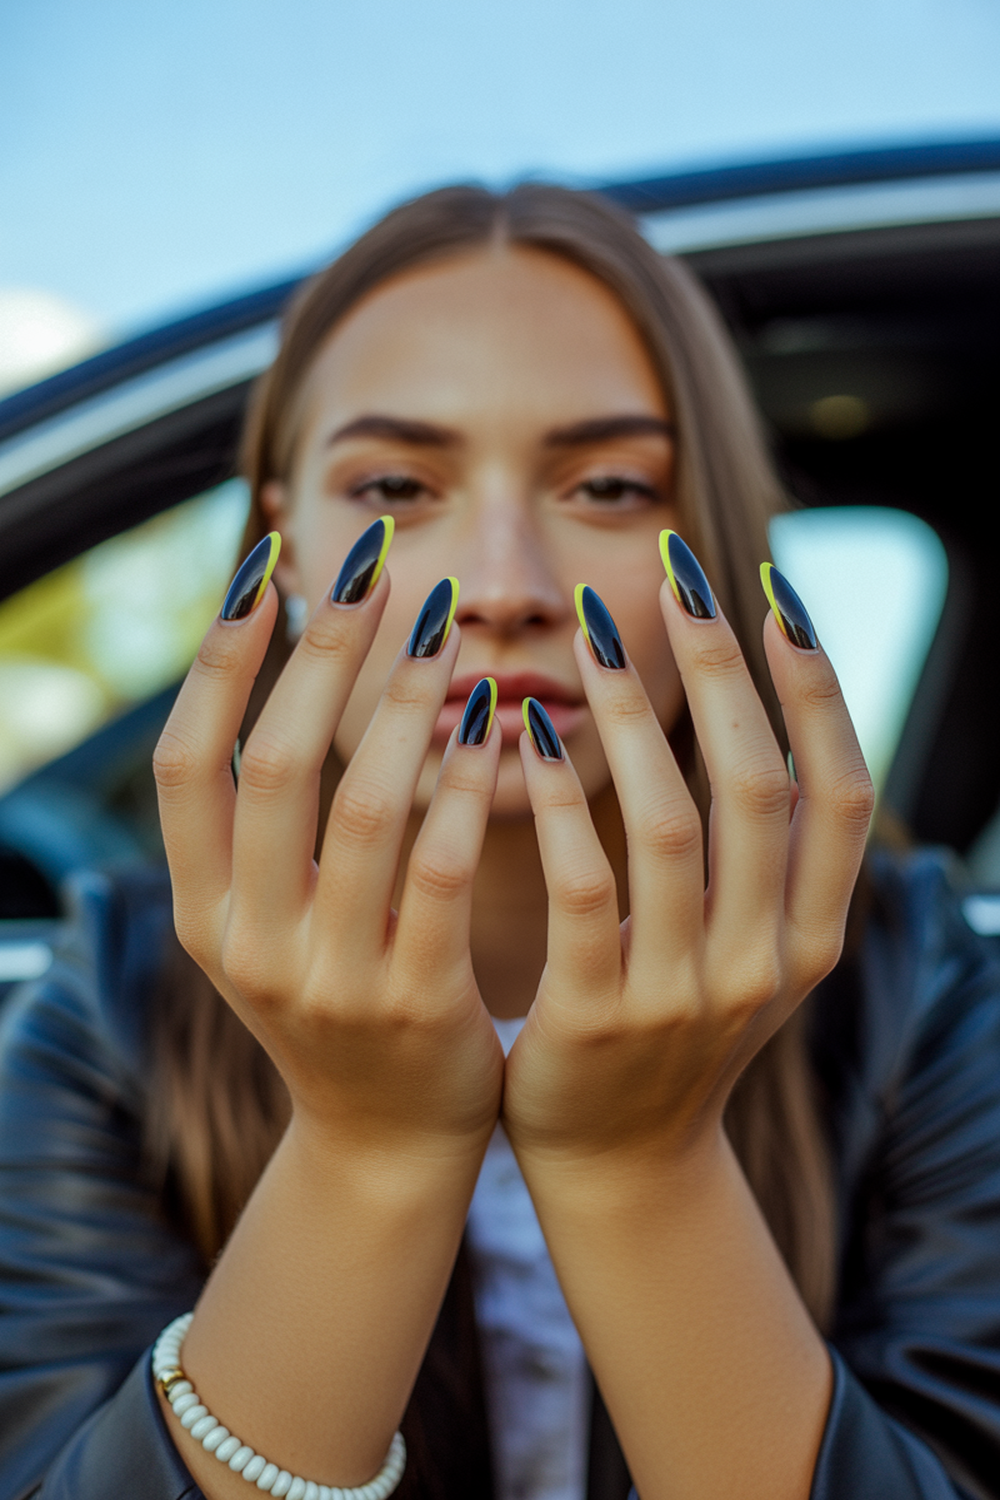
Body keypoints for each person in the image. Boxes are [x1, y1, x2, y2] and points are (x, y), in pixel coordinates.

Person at [1, 184, 999, 1500]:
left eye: (608, 485)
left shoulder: (918, 978)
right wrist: (366, 1148)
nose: (510, 585)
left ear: (708, 544)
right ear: (283, 551)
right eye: (397, 487)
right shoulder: (119, 990)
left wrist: (642, 1162)